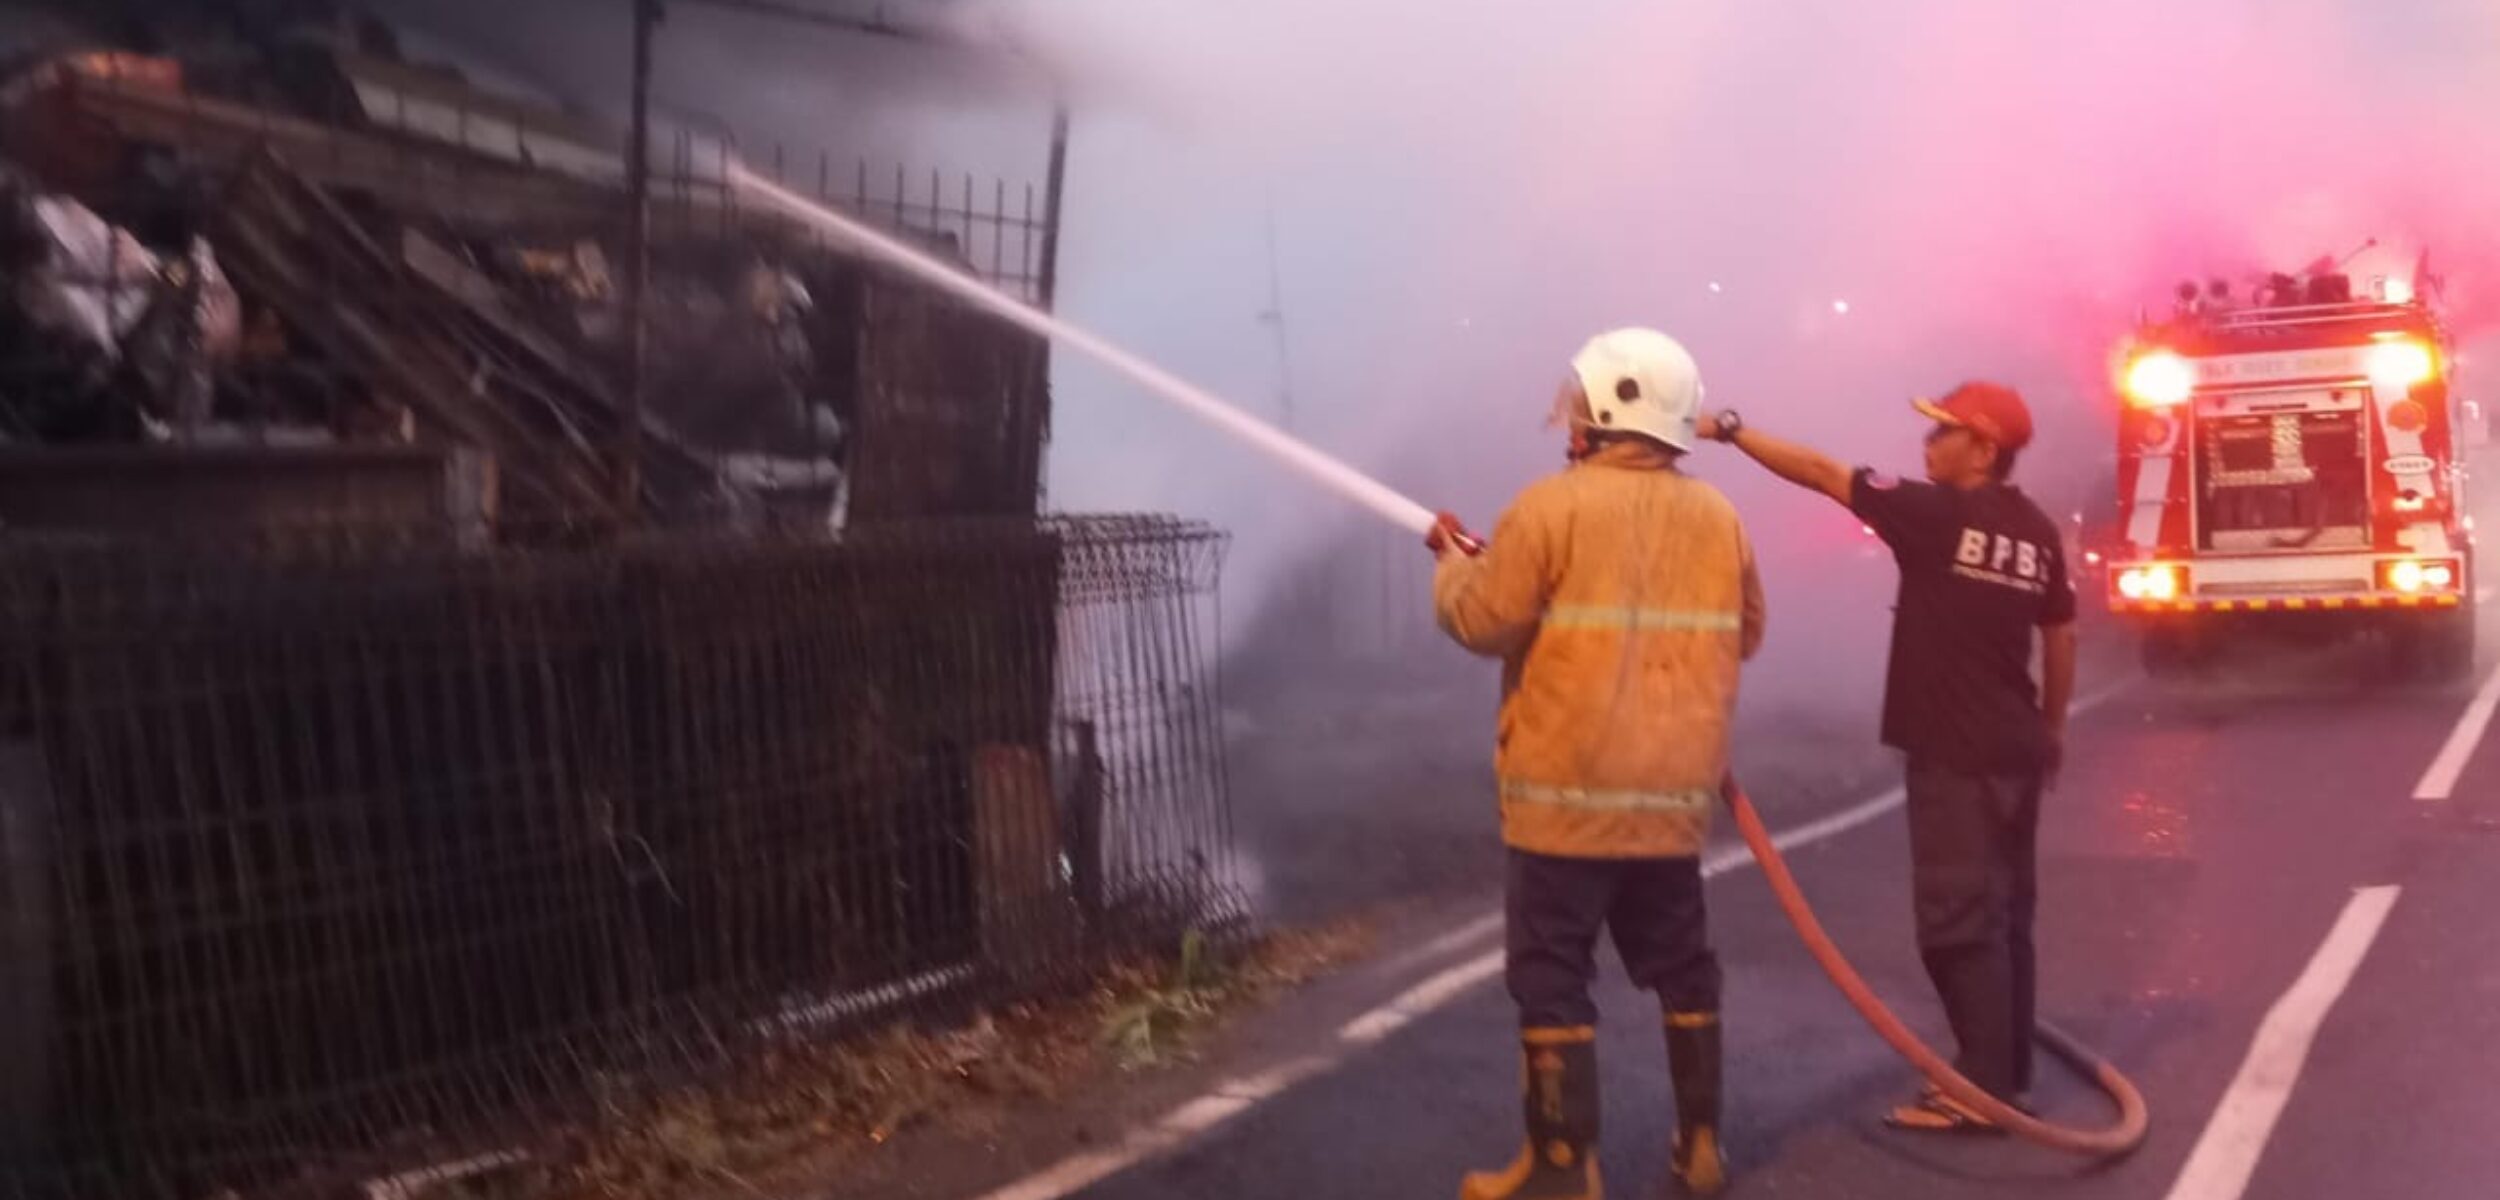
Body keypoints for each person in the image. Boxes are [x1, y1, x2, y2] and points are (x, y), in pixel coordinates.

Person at [1430, 328, 1765, 1197]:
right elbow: (1748, 632)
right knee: (1682, 967)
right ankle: (1700, 1147)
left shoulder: (1550, 506)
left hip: (1564, 805)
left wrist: (1451, 571)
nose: (1568, 418)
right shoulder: (1719, 518)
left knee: (1551, 978)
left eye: (1580, 402)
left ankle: (1561, 1165)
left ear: (1612, 407)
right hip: (1670, 804)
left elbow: (1485, 621)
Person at [1693, 382, 2077, 1131]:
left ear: (1985, 449)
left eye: (1944, 434)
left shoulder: (1934, 515)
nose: (1928, 445)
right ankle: (2009, 1073)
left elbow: (1818, 470)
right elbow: (2062, 635)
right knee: (2006, 915)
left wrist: (1734, 430)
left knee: (1955, 922)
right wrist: (2053, 729)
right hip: (2015, 748)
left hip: (1955, 754)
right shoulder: (2036, 531)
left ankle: (1984, 1089)